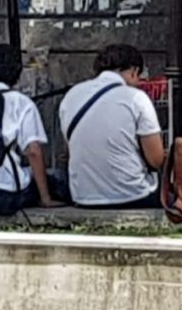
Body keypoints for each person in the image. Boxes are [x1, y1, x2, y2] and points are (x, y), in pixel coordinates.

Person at [0, 45, 65, 217]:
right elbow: (33, 152)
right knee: (56, 176)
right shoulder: (20, 102)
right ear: (17, 73)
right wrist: (45, 198)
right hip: (6, 192)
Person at [58, 44, 165, 210]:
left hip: (82, 197)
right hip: (133, 195)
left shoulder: (72, 95)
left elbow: (69, 149)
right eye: (139, 77)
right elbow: (156, 160)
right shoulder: (136, 98)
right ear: (134, 71)